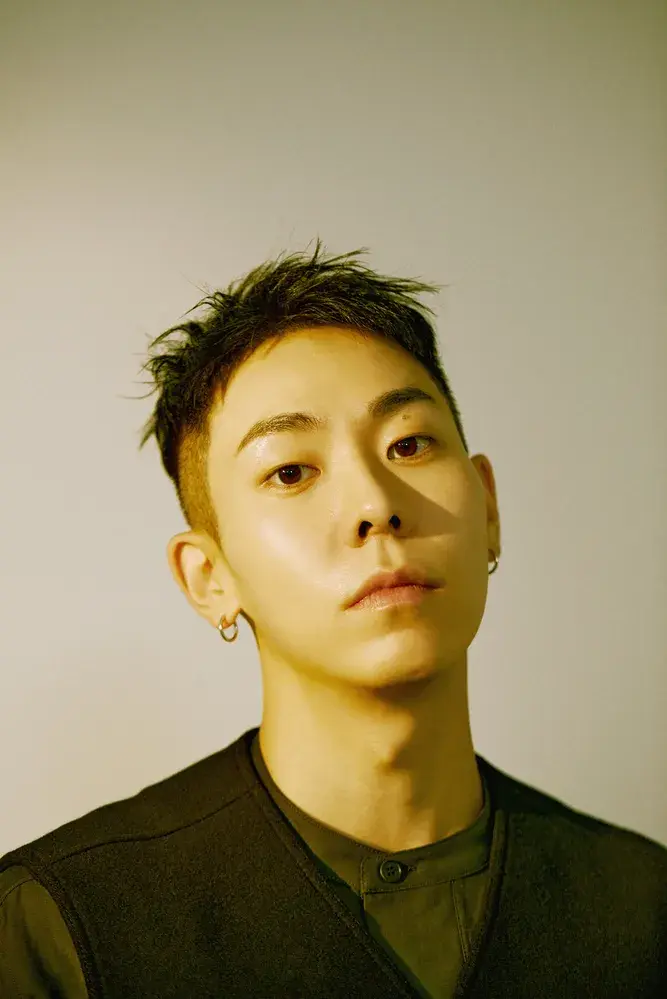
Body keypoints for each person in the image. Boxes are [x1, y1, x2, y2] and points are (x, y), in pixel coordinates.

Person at [1, 240, 665, 998]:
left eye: (408, 443)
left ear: (488, 509)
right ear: (209, 577)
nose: (375, 504)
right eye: (291, 471)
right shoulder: (62, 925)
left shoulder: (640, 906)